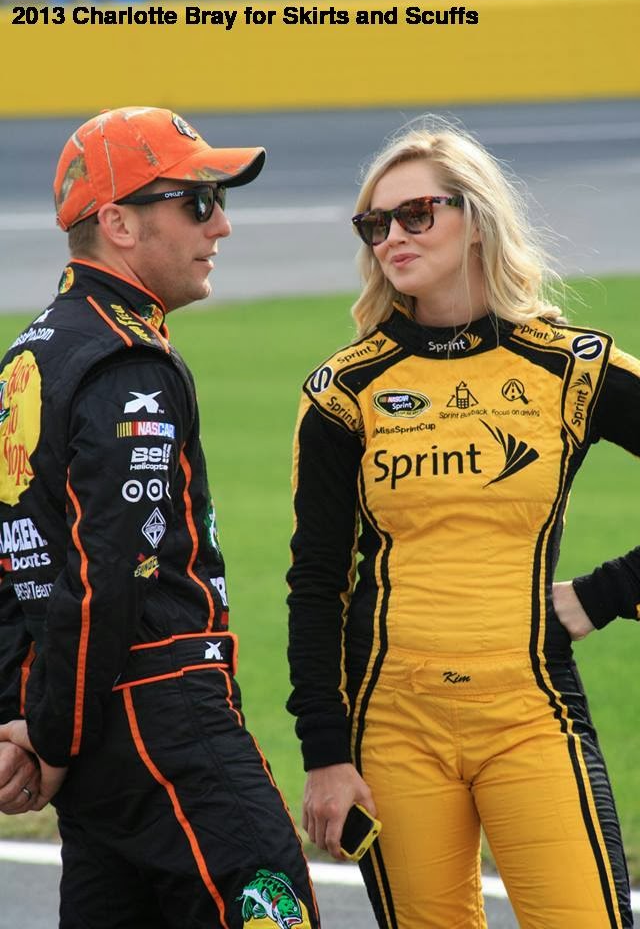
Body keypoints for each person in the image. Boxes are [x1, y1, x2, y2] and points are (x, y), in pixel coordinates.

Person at [286, 120, 638, 928]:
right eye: (375, 223)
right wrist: (326, 756)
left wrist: (607, 593)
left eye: (417, 214)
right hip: (393, 725)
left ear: (477, 218)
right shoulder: (344, 392)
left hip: (532, 713)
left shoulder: (571, 367)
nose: (393, 237)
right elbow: (315, 584)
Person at [0, 106, 319, 929]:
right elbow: (110, 572)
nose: (222, 225)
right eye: (198, 202)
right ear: (118, 224)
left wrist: (20, 715)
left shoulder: (27, 358)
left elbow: (10, 552)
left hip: (94, 740)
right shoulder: (124, 359)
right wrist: (53, 738)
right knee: (274, 902)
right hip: (165, 722)